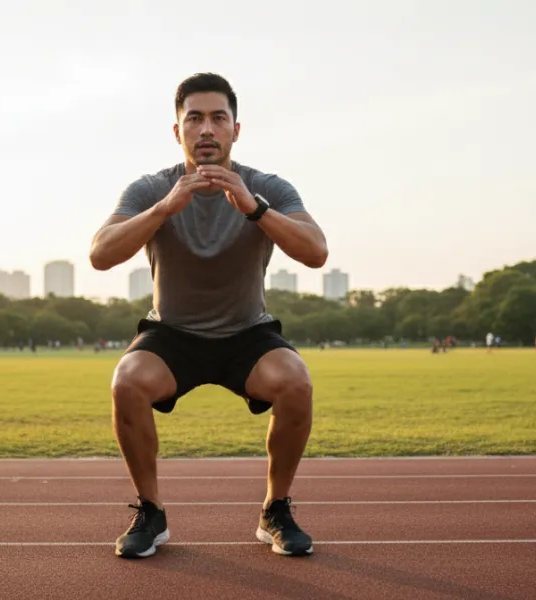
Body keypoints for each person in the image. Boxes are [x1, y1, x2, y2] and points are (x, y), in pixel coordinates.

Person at [89, 73, 328, 559]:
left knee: (296, 381)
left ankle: (275, 509)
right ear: (177, 131)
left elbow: (317, 252)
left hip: (247, 333)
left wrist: (254, 208)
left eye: (218, 118)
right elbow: (100, 255)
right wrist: (163, 208)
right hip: (172, 335)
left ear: (235, 130)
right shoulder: (150, 188)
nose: (206, 129)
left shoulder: (266, 187)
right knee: (126, 382)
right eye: (193, 118)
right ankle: (150, 512)